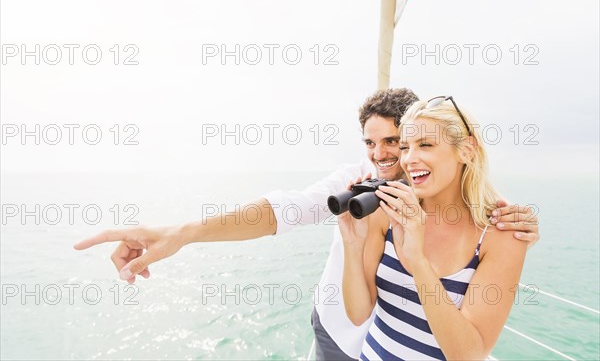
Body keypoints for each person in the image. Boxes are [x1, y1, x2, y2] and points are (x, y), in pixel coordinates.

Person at [73, 89, 539, 360]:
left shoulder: (486, 217)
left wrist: (513, 215)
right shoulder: (366, 187)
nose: (385, 156)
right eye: (371, 143)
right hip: (338, 332)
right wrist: (183, 233)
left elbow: (470, 187)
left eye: (397, 141)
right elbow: (285, 209)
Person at [340, 96, 528, 360]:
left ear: (466, 150)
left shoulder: (502, 236)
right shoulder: (388, 212)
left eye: (425, 145)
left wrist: (417, 260)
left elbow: (467, 355)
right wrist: (352, 243)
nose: (409, 159)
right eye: (405, 147)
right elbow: (357, 314)